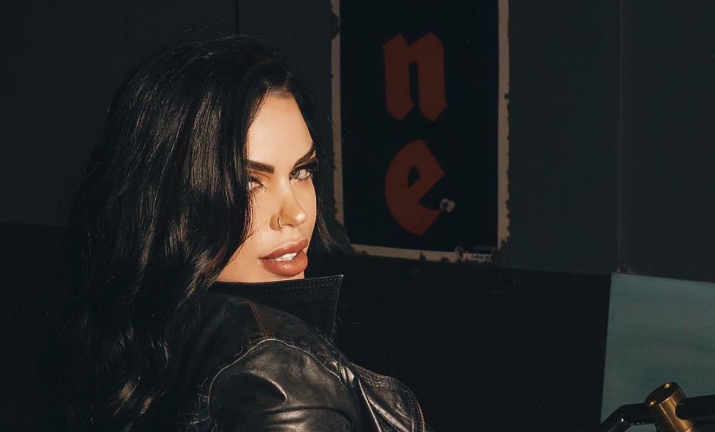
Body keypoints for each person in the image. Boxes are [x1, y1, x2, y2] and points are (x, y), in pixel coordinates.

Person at [50, 35, 430, 432]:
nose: (296, 214)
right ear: (171, 199)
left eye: (301, 172)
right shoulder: (277, 378)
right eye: (249, 182)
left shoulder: (138, 342)